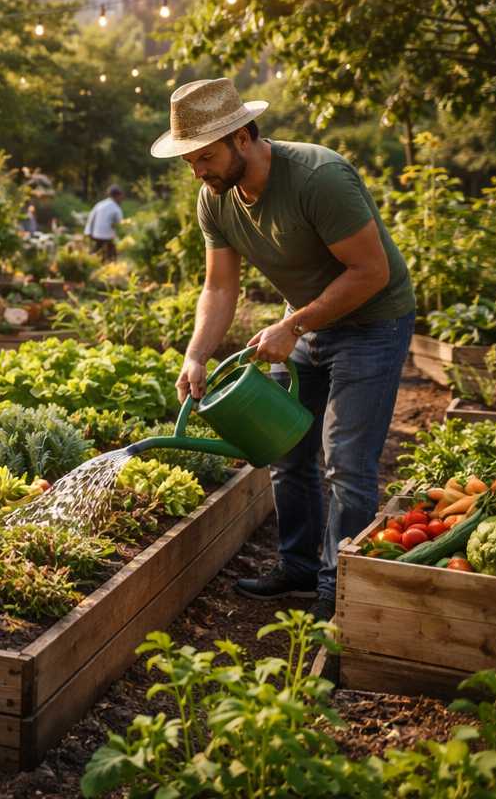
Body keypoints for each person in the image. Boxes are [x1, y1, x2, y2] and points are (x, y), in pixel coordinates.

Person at [152, 78, 414, 622]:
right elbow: (220, 287)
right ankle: (298, 567)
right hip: (308, 324)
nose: (197, 171)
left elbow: (371, 272)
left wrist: (292, 325)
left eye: (204, 157)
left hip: (371, 323)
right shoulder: (215, 199)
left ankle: (339, 589)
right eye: (189, 161)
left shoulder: (318, 178)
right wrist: (196, 353)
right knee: (285, 451)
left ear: (243, 137)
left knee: (345, 460)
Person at [83, 185, 126, 260]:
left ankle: (89, 261)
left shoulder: (100, 204)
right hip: (108, 237)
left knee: (96, 253)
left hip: (95, 235)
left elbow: (91, 218)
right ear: (117, 196)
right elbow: (120, 224)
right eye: (121, 196)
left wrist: (88, 232)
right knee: (111, 255)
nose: (122, 199)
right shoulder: (116, 208)